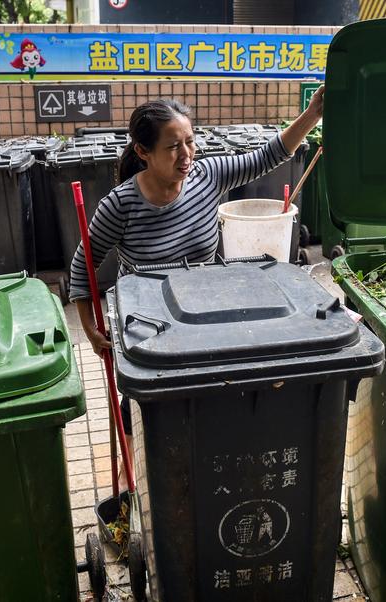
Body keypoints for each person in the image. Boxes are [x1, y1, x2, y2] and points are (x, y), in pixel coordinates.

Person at [70, 86, 324, 486]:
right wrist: (89, 327)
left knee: (206, 401)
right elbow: (83, 265)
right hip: (149, 327)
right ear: (143, 152)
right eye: (173, 147)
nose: (186, 154)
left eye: (190, 141)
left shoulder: (207, 177)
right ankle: (131, 479)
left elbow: (268, 156)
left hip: (202, 317)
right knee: (143, 409)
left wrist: (312, 115)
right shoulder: (120, 205)